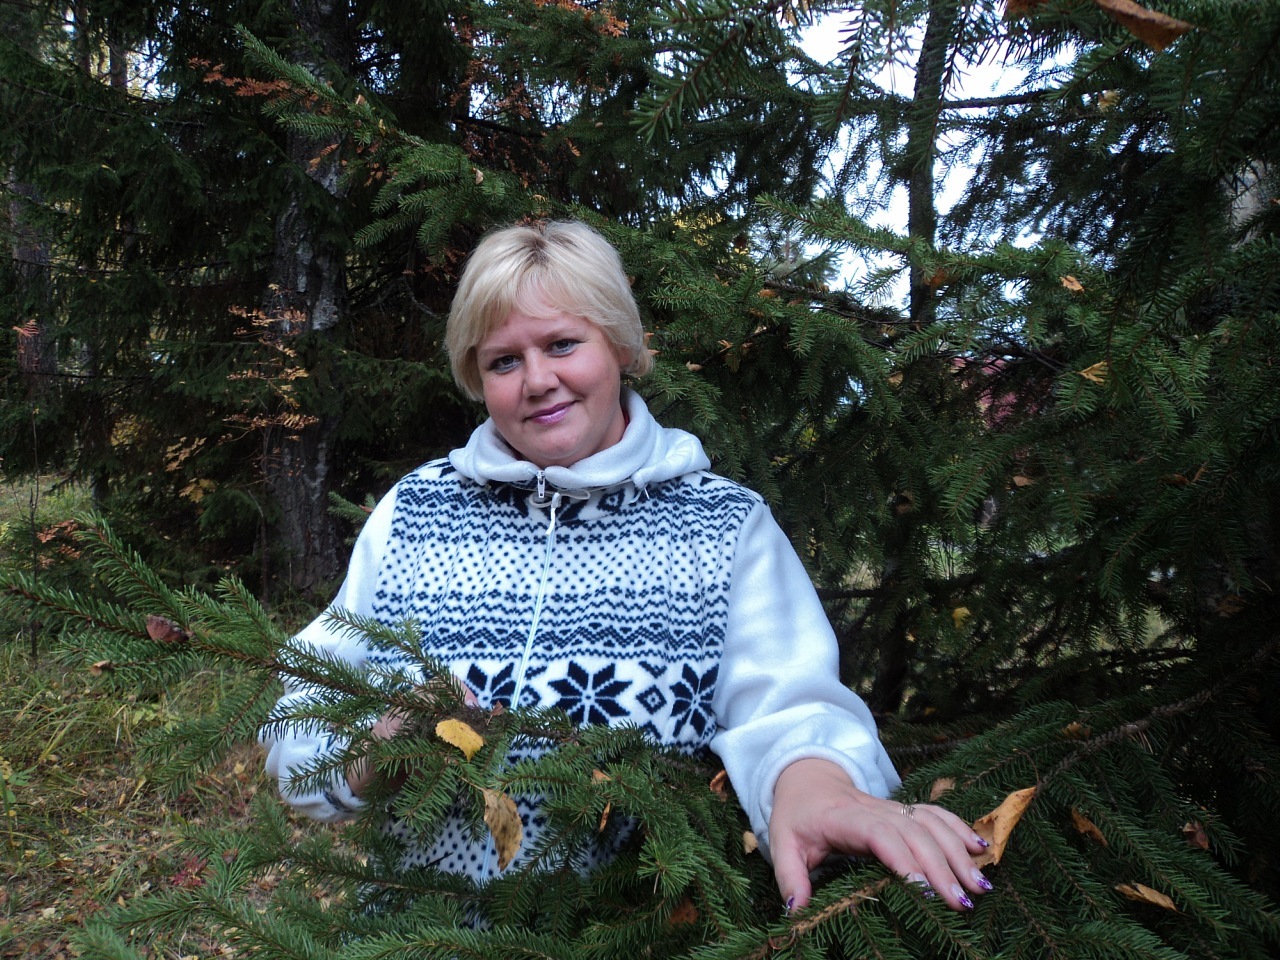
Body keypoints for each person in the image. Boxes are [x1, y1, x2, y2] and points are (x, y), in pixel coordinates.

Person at [261, 219, 991, 913]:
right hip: (417, 934)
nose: (537, 380)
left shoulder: (721, 526)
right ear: (477, 378)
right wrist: (374, 754)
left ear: (619, 344)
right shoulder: (418, 514)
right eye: (504, 361)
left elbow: (790, 711)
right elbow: (306, 705)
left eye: (562, 344)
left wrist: (819, 790)